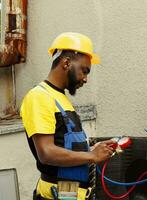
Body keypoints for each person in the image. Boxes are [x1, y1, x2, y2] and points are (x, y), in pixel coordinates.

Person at [20, 32, 116, 200]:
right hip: (55, 193)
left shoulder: (60, 98)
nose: (85, 79)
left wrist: (91, 150)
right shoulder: (39, 96)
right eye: (84, 71)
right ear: (66, 63)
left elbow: (62, 144)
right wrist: (91, 156)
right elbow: (47, 153)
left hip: (69, 193)